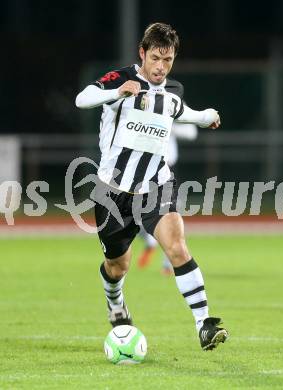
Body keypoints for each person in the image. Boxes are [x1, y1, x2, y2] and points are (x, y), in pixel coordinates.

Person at [75, 22, 228, 350]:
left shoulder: (172, 90)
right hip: (112, 192)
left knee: (176, 246)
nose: (161, 67)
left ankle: (204, 323)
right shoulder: (120, 79)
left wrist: (206, 116)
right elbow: (82, 98)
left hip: (155, 185)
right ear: (142, 53)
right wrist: (116, 93)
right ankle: (115, 302)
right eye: (156, 58)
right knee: (118, 265)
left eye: (168, 60)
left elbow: (180, 112)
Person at [137, 121, 198, 274]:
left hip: (167, 169)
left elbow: (191, 132)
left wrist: (168, 124)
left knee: (171, 216)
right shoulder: (141, 101)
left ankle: (168, 263)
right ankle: (151, 241)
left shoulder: (173, 104)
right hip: (142, 168)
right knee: (131, 213)